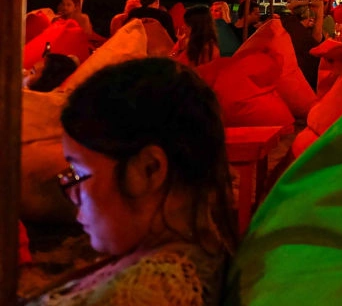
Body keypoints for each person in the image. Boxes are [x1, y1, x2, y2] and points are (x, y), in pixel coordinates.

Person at [28, 58, 236, 305]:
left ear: (150, 169)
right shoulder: (175, 255)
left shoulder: (149, 292)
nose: (72, 195)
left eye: (80, 174)